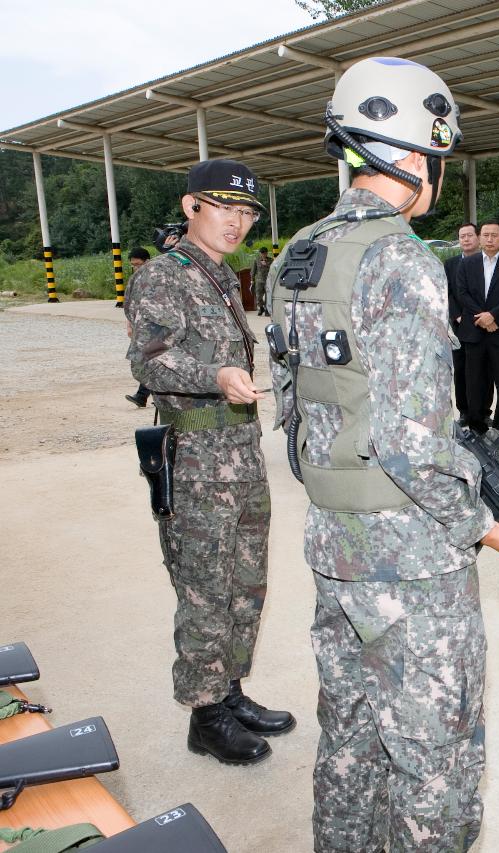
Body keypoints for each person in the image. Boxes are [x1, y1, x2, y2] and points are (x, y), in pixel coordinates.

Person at [266, 58, 499, 850]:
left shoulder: (300, 253)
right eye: (436, 155)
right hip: (411, 565)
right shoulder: (398, 260)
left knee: (352, 739)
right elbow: (410, 443)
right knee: (436, 758)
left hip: (334, 542)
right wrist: (485, 525)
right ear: (410, 155)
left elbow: (297, 411)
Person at [125, 158, 294, 766]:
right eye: (226, 208)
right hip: (195, 459)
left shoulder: (221, 275)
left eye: (247, 212)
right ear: (191, 205)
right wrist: (216, 376)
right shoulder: (166, 277)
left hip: (240, 455)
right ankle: (204, 715)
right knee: (204, 587)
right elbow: (149, 361)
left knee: (246, 582)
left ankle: (230, 690)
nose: (238, 222)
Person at [456, 219, 499, 438]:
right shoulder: (467, 264)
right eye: (485, 234)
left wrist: (493, 315)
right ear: (479, 237)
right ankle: (477, 427)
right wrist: (483, 317)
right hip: (474, 332)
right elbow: (463, 293)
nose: (490, 239)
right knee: (474, 382)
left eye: (494, 235)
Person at [447, 223, 480, 420]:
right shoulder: (450, 264)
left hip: (482, 321)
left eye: (469, 235)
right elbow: (447, 292)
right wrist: (457, 314)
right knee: (461, 370)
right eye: (462, 236)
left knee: (481, 370)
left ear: (477, 238)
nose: (466, 239)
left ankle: (482, 412)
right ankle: (464, 411)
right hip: (459, 323)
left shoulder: (486, 262)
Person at [124, 247, 154, 408]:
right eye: (133, 265)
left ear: (147, 262)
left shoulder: (157, 277)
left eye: (138, 264)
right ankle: (143, 396)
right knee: (146, 362)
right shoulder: (134, 279)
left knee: (153, 361)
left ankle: (143, 395)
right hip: (141, 328)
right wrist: (129, 325)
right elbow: (130, 304)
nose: (135, 268)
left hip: (156, 329)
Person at [251, 246, 272, 316]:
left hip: (268, 281)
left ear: (267, 253)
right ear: (260, 253)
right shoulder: (256, 260)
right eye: (262, 253)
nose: (263, 255)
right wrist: (252, 279)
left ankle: (267, 310)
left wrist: (266, 265)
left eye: (264, 253)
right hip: (259, 281)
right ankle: (261, 307)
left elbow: (273, 270)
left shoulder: (271, 260)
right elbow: (253, 270)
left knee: (267, 296)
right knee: (258, 296)